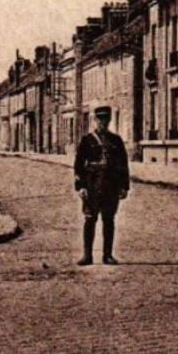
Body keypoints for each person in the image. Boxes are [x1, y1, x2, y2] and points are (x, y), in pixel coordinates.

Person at [74, 106, 130, 266]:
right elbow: (78, 166)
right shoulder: (87, 140)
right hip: (92, 186)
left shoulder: (116, 141)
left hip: (111, 187)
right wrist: (81, 187)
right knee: (90, 219)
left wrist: (124, 186)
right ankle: (87, 255)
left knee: (109, 220)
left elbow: (123, 165)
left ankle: (107, 255)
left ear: (109, 121)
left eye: (105, 120)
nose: (102, 123)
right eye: (100, 120)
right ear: (94, 121)